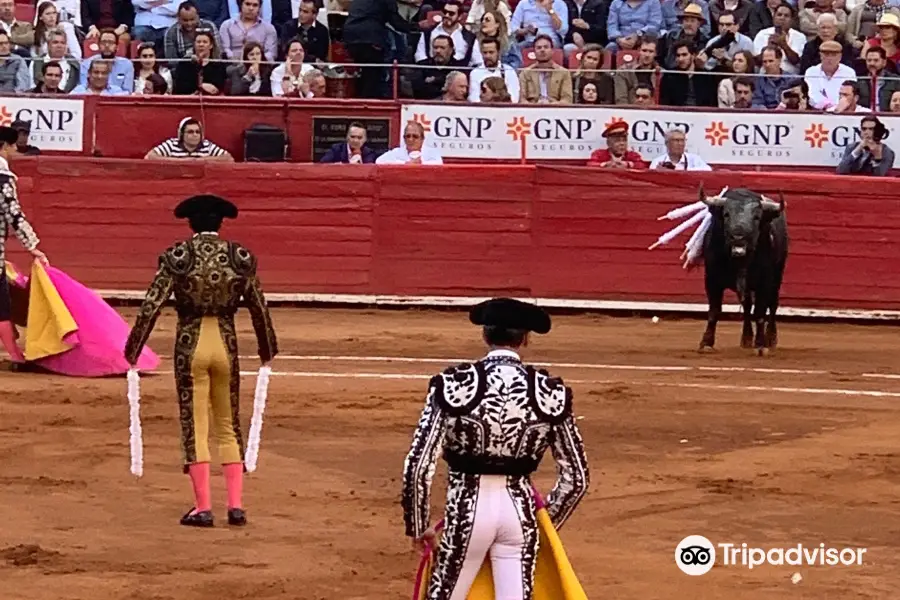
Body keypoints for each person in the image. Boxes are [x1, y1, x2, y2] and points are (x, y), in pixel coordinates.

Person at [402, 297, 590, 600]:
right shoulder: (550, 392)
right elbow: (577, 479)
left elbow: (419, 465)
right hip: (519, 513)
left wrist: (419, 524)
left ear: (484, 335)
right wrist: (542, 523)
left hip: (466, 508)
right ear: (525, 338)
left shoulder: (452, 384)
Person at [124, 194, 278, 528]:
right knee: (228, 424)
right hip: (226, 344)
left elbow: (152, 305)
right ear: (221, 224)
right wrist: (268, 349)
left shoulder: (178, 256)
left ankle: (203, 507)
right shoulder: (239, 257)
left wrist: (133, 349)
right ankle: (236, 506)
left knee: (196, 425)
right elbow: (259, 308)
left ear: (190, 224)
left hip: (190, 343)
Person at [0, 126, 49, 370]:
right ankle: (16, 357)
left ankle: (16, 353)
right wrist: (33, 246)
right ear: (4, 147)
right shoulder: (3, 177)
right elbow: (14, 215)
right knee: (1, 307)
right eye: (11, 147)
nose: (13, 152)